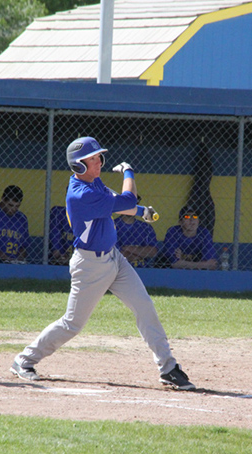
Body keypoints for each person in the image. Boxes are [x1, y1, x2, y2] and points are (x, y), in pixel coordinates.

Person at [10, 136, 195, 390]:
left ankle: (168, 368)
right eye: (93, 158)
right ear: (78, 165)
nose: (99, 162)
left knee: (144, 307)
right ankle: (24, 360)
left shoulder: (93, 183)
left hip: (114, 258)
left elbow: (117, 203)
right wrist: (128, 171)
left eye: (99, 157)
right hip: (90, 267)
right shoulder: (81, 194)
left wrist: (142, 213)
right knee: (72, 324)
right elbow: (128, 200)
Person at [162, 206, 218, 270]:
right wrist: (203, 264)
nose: (191, 219)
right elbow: (174, 264)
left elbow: (212, 264)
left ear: (198, 221)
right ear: (180, 222)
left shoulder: (204, 233)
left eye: (195, 216)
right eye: (187, 217)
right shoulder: (173, 231)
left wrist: (182, 261)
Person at [114, 195, 158, 268]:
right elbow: (116, 253)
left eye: (134, 204)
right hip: (118, 267)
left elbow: (153, 251)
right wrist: (139, 253)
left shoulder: (146, 227)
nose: (130, 207)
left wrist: (128, 248)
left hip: (144, 268)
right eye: (127, 204)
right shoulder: (112, 225)